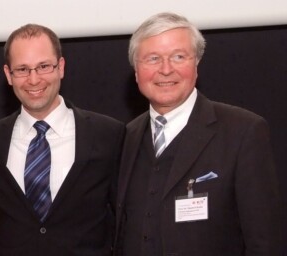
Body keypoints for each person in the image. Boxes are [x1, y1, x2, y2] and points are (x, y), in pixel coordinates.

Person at [114, 12, 283, 255]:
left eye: (178, 56)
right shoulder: (125, 137)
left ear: (196, 65)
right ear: (137, 72)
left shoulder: (243, 131)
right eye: (153, 58)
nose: (166, 69)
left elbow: (264, 241)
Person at [0, 24, 124, 255]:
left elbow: (126, 217)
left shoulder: (108, 134)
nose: (34, 79)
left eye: (43, 66)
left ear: (60, 67)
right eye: (22, 69)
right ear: (8, 75)